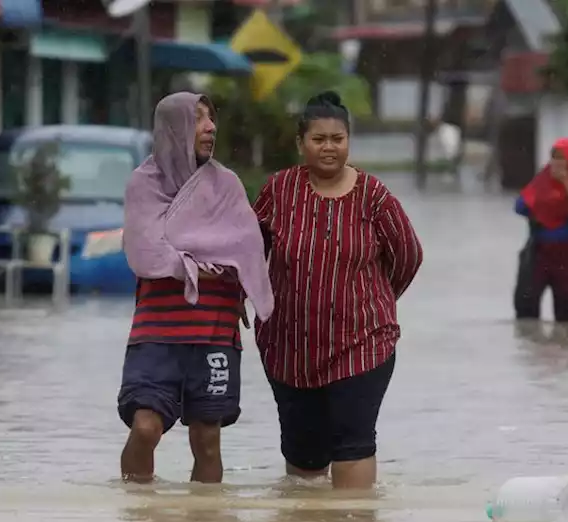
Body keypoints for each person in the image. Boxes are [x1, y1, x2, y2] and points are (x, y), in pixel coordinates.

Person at [252, 91, 424, 490]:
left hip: (361, 344)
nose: (329, 147)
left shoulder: (374, 196)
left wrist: (374, 301)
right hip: (289, 346)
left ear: (348, 141)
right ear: (300, 144)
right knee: (304, 460)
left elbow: (408, 256)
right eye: (319, 139)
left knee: (353, 442)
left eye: (337, 139)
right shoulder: (278, 191)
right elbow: (249, 251)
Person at [117, 92, 274, 484]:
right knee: (146, 428)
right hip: (157, 331)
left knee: (207, 440)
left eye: (211, 118)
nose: (211, 127)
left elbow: (246, 251)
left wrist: (224, 277)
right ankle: (137, 518)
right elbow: (147, 253)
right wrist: (206, 266)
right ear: (174, 129)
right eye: (199, 119)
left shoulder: (227, 186)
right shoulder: (143, 184)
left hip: (214, 329)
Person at [512, 138, 568, 322]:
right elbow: (519, 206)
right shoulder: (542, 181)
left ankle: (566, 350)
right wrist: (544, 202)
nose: (556, 163)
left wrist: (566, 182)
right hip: (539, 253)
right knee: (526, 315)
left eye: (562, 158)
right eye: (553, 158)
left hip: (567, 258)